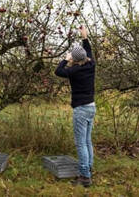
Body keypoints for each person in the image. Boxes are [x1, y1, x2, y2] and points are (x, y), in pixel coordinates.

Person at [55, 26, 96, 187]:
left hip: (81, 108)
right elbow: (88, 50)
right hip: (91, 107)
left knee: (81, 143)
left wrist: (66, 59)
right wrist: (84, 37)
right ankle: (89, 169)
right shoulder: (90, 64)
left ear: (75, 59)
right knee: (87, 141)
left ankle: (84, 176)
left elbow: (58, 71)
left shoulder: (73, 71)